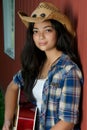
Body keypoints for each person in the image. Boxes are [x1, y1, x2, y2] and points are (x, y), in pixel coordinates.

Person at [2, 2, 83, 130]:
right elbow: (12, 87)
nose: (40, 36)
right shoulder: (36, 64)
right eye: (35, 31)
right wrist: (7, 121)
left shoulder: (68, 71)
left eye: (47, 30)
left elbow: (67, 123)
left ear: (58, 31)